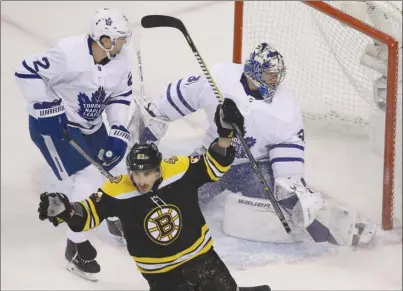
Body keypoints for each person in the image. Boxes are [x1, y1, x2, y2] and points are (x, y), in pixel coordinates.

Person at [136, 42, 376, 247]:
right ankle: (133, 218)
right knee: (182, 197)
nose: (276, 80)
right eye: (270, 74)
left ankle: (333, 227)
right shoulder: (219, 79)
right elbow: (179, 96)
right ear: (253, 72)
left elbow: (289, 145)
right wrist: (152, 125)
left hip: (253, 167)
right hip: (212, 159)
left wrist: (290, 186)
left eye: (277, 75)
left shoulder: (285, 104)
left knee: (291, 203)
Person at [38, 99, 270, 291]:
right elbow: (87, 215)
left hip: (202, 258)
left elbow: (215, 165)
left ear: (159, 169)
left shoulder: (178, 169)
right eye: (136, 174)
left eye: (148, 173)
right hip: (162, 274)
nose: (141, 181)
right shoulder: (117, 190)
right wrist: (67, 211)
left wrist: (226, 135)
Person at [15, 7, 133, 280]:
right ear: (103, 38)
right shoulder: (68, 53)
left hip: (92, 126)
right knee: (90, 178)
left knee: (114, 172)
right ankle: (75, 246)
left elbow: (121, 95)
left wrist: (117, 129)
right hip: (55, 128)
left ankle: (113, 215)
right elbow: (26, 71)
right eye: (118, 39)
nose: (123, 44)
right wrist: (45, 108)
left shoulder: (121, 59)